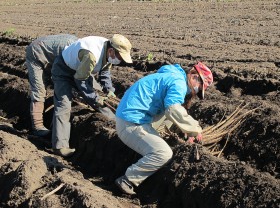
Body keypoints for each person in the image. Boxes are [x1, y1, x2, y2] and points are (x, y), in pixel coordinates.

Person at [114, 61, 213, 195]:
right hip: (131, 122)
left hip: (130, 115)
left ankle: (152, 141)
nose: (195, 92)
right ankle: (127, 180)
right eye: (199, 87)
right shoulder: (178, 83)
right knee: (163, 153)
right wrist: (195, 129)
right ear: (194, 77)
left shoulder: (173, 76)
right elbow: (173, 109)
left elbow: (171, 111)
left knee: (170, 115)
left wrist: (185, 130)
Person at [51, 34, 132, 157]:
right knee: (64, 105)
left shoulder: (109, 50)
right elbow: (81, 81)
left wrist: (109, 89)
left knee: (101, 101)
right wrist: (95, 97)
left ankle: (115, 123)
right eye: (120, 57)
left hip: (82, 70)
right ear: (111, 51)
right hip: (64, 69)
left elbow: (104, 71)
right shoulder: (92, 55)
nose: (120, 61)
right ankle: (60, 147)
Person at [26, 34, 78, 136]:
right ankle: (38, 127)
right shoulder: (70, 51)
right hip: (35, 53)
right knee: (39, 90)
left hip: (51, 54)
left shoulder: (80, 49)